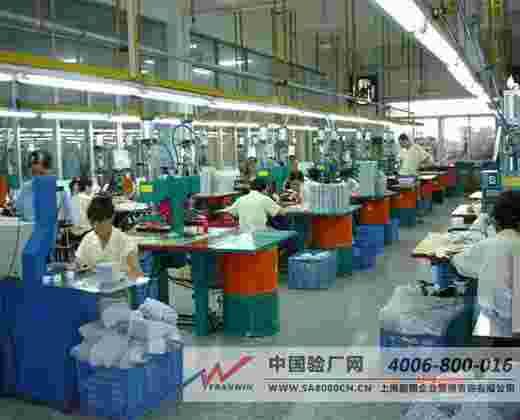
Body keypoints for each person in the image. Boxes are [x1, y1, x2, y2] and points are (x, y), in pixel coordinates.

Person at [452, 190, 520, 337]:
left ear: (495, 221)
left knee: (478, 301)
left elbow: (459, 262)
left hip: (495, 325)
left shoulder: (487, 246)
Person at [75, 194, 144, 311]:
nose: (96, 227)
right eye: (92, 222)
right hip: (91, 299)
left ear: (111, 218)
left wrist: (120, 276)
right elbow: (78, 266)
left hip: (118, 300)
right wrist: (80, 270)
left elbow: (138, 274)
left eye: (100, 221)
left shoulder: (124, 241)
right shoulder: (88, 239)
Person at [15, 150, 74, 223]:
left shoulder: (60, 192)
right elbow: (19, 213)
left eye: (41, 173)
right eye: (34, 173)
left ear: (50, 170)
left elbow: (67, 221)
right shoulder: (26, 188)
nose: (37, 177)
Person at [220, 177, 286, 231]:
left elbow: (230, 212)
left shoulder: (240, 199)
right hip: (260, 233)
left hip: (244, 233)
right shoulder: (264, 199)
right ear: (265, 188)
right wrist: (277, 202)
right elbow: (282, 213)